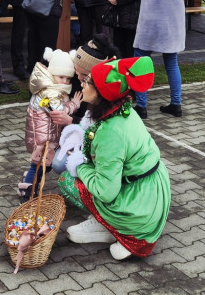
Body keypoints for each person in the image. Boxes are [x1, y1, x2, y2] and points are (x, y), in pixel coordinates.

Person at [58, 56, 171, 260]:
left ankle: (122, 230)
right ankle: (107, 222)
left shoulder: (111, 132)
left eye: (87, 81)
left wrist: (78, 164)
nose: (81, 84)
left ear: (102, 92)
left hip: (140, 204)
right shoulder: (121, 110)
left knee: (67, 180)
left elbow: (106, 191)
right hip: (147, 188)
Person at [131, 0, 186, 118]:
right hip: (174, 23)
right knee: (172, 63)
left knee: (141, 62)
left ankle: (142, 106)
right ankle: (176, 104)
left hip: (151, 24)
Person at [19, 48, 77, 202]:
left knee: (44, 165)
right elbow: (58, 112)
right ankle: (27, 194)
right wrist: (74, 104)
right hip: (43, 137)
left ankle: (29, 181)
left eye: (68, 78)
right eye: (61, 77)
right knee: (38, 166)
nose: (65, 82)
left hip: (47, 135)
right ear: (51, 74)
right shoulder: (49, 92)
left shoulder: (53, 87)